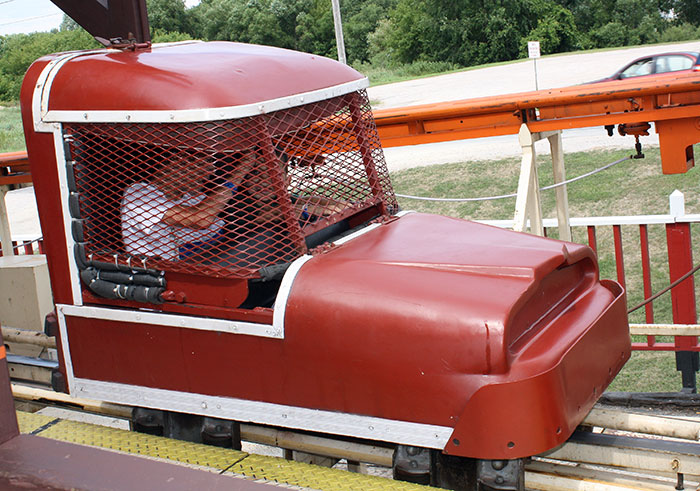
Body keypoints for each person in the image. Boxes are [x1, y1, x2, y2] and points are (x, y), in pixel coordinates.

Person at [120, 154, 249, 262]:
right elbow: (200, 219)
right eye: (201, 163)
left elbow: (219, 231)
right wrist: (240, 172)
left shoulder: (190, 198)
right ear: (173, 161)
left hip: (195, 265)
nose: (210, 171)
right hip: (156, 276)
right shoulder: (138, 194)